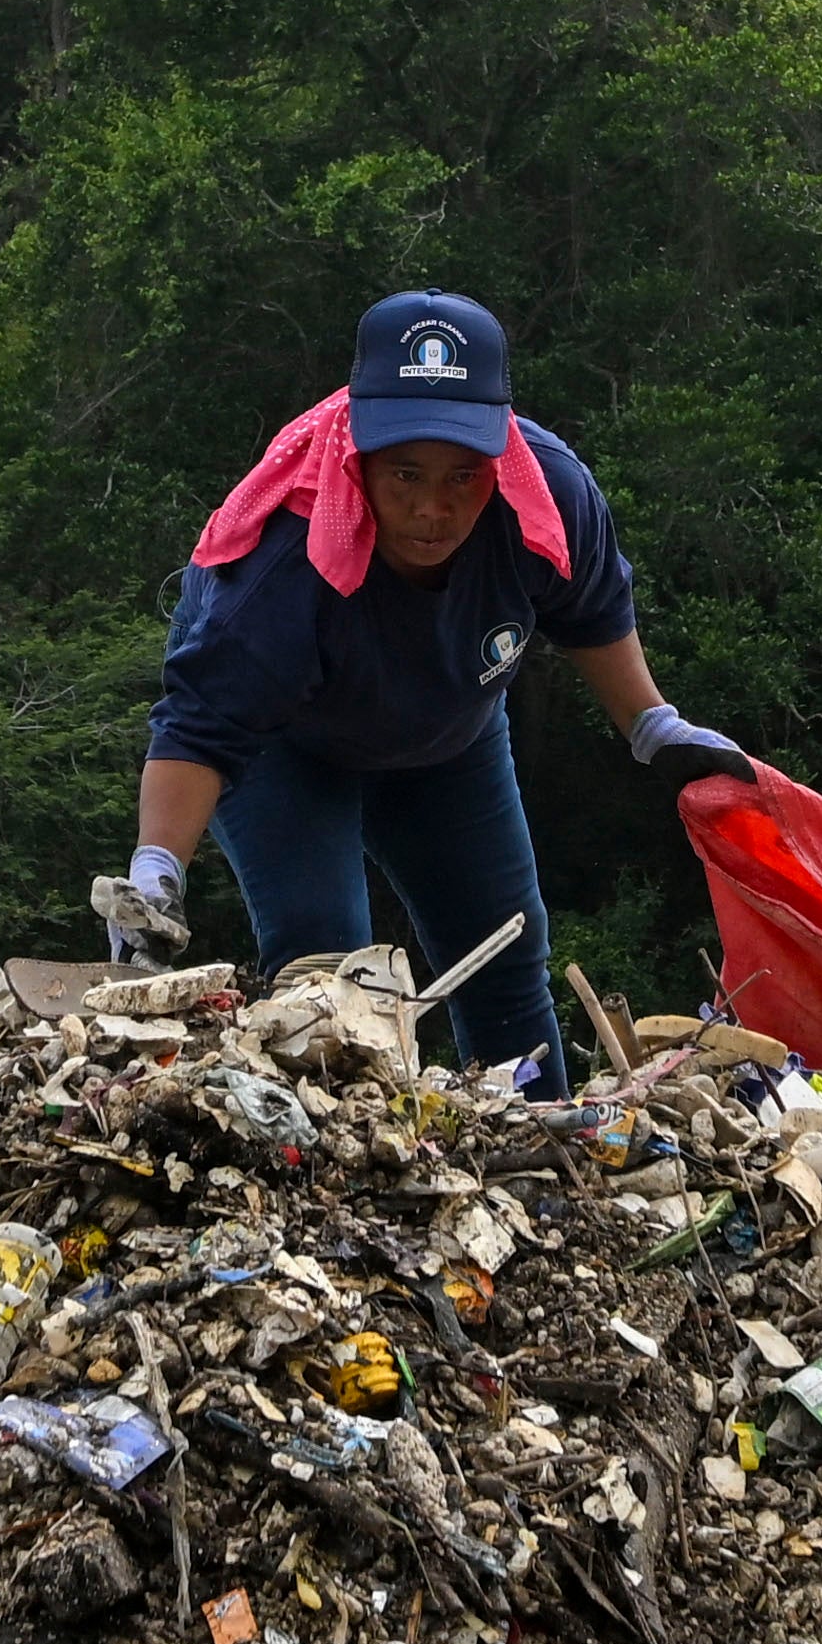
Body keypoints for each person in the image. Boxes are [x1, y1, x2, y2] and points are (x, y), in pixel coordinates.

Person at [112, 288, 743, 1082]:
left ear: (498, 458)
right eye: (405, 472)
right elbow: (201, 728)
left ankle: (540, 1167)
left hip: (450, 736)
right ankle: (336, 1177)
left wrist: (654, 725)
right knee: (333, 975)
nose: (431, 509)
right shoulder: (279, 556)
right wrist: (155, 876)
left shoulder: (548, 494)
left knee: (504, 952)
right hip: (287, 747)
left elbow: (592, 610)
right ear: (361, 450)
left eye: (462, 478)